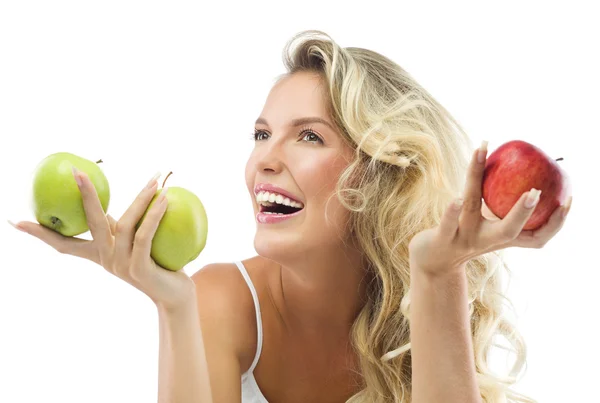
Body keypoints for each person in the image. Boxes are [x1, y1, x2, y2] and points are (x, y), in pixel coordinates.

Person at [10, 30, 572, 403]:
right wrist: (173, 306)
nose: (264, 160)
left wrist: (435, 274)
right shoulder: (223, 301)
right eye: (260, 135)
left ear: (379, 170)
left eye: (308, 136)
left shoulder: (415, 303)